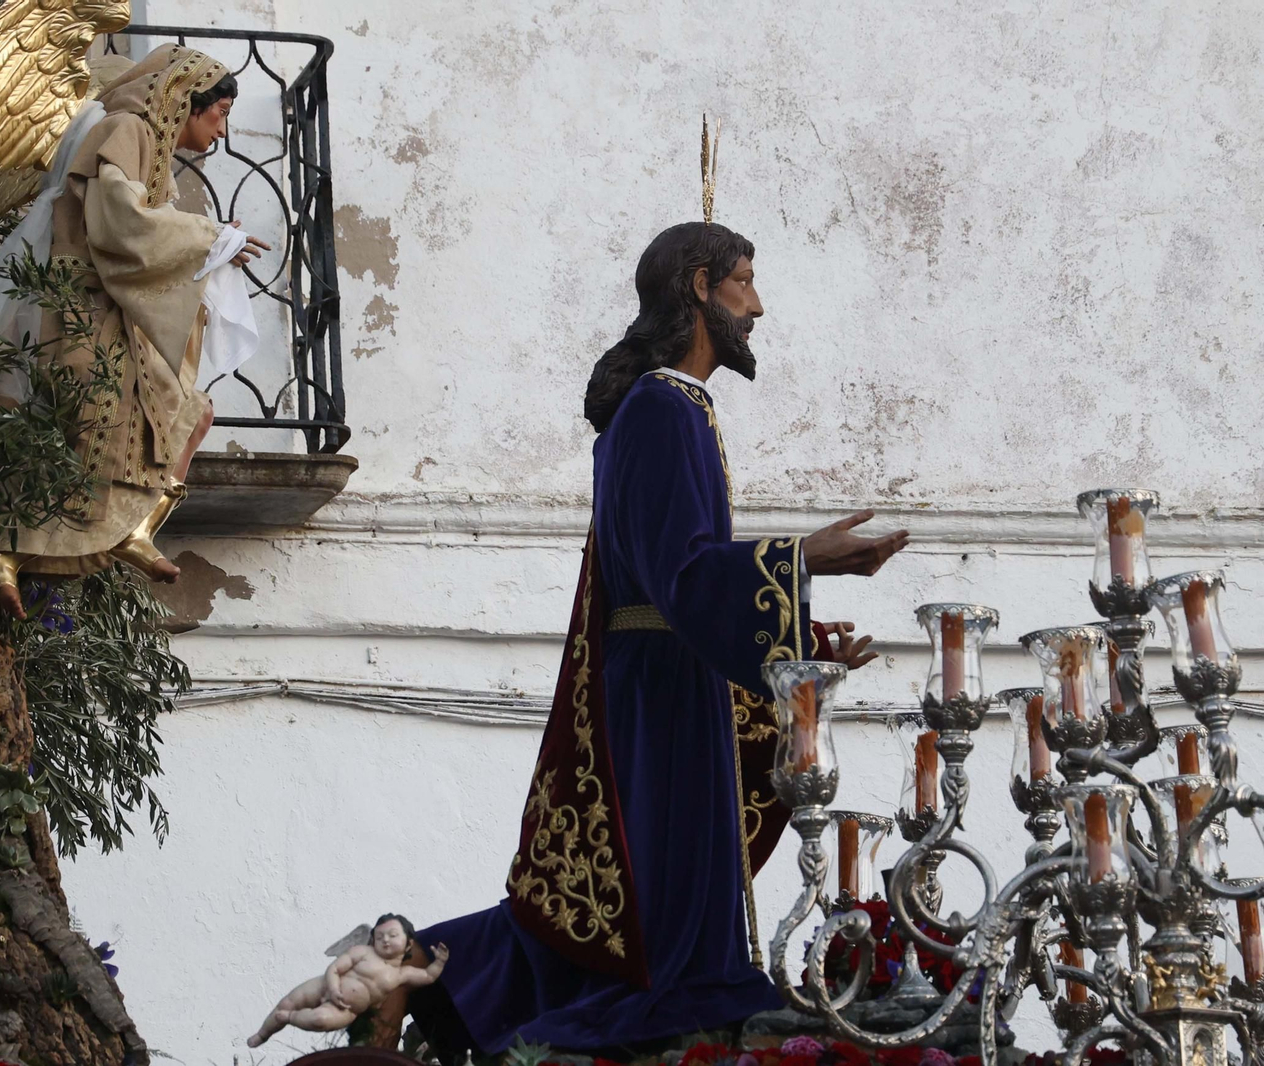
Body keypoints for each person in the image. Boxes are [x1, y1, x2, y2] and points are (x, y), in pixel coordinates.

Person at [407, 222, 909, 1057]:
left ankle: (425, 975)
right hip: (658, 698)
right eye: (745, 283)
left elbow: (689, 577)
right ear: (702, 286)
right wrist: (800, 557)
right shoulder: (658, 411)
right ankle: (420, 970)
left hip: (678, 681)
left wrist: (806, 633)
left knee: (643, 911)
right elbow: (678, 573)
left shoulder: (679, 411)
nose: (759, 305)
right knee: (649, 918)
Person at [0, 44, 270, 617]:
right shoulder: (128, 129)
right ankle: (1, 551)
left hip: (109, 315)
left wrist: (208, 246)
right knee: (74, 437)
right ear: (188, 101)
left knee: (182, 417)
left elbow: (148, 236)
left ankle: (128, 532)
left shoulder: (146, 144)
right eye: (222, 113)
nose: (223, 131)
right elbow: (122, 222)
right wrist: (209, 238)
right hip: (83, 313)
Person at [247, 915, 449, 1048]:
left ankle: (289, 1017)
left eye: (393, 935)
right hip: (325, 985)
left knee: (320, 1020)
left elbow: (428, 976)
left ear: (408, 944)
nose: (385, 939)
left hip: (347, 1009)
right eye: (379, 936)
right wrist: (333, 988)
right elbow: (336, 968)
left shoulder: (401, 974)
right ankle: (263, 1034)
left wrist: (439, 962)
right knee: (289, 1000)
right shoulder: (363, 951)